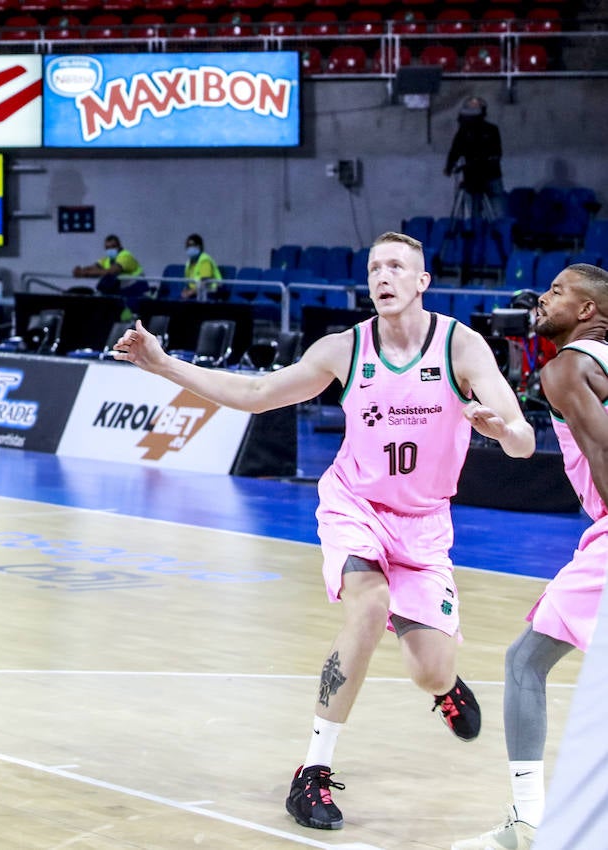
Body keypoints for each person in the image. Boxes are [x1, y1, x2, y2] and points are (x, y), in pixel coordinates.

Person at [113, 231, 535, 831]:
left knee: (429, 668)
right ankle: (311, 772)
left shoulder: (461, 348)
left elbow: (523, 442)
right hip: (355, 505)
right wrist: (161, 364)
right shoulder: (345, 349)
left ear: (422, 283)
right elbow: (258, 395)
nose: (383, 276)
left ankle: (444, 688)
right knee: (367, 610)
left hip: (423, 524)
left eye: (397, 267)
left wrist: (500, 430)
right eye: (374, 268)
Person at [452, 263, 608, 850]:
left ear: (588, 311)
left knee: (524, 662)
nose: (541, 300)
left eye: (557, 292)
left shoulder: (566, 367)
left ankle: (528, 824)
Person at [444, 96, 504, 219]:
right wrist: (450, 166)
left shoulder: (491, 131)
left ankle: (501, 233)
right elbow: (455, 151)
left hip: (491, 175)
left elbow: (496, 153)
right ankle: (479, 231)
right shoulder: (463, 133)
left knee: (498, 211)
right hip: (471, 177)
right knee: (475, 213)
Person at [72, 233, 142, 295]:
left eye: (113, 246)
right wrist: (81, 270)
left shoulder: (125, 256)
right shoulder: (107, 259)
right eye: (107, 248)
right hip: (122, 290)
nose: (110, 249)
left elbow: (111, 271)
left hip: (136, 289)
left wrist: (85, 273)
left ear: (119, 246)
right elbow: (94, 267)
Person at [179, 233, 224, 301]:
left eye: (191, 245)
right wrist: (185, 291)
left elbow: (204, 283)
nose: (189, 248)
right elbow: (188, 282)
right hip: (195, 292)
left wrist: (189, 293)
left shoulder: (205, 260)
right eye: (187, 246)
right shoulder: (189, 262)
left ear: (199, 246)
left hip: (209, 293)